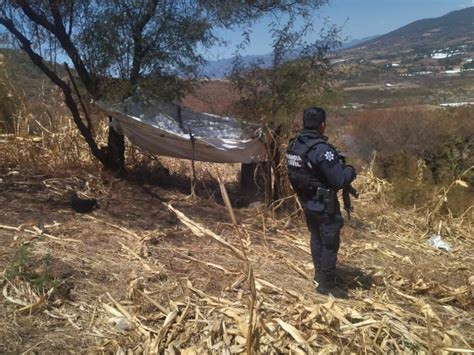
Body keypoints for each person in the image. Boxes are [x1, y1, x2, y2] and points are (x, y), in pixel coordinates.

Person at [285, 107, 356, 298]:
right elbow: (339, 180)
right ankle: (326, 284)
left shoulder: (295, 145)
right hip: (324, 204)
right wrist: (350, 170)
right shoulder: (321, 150)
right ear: (322, 125)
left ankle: (319, 274)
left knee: (316, 236)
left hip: (307, 200)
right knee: (329, 242)